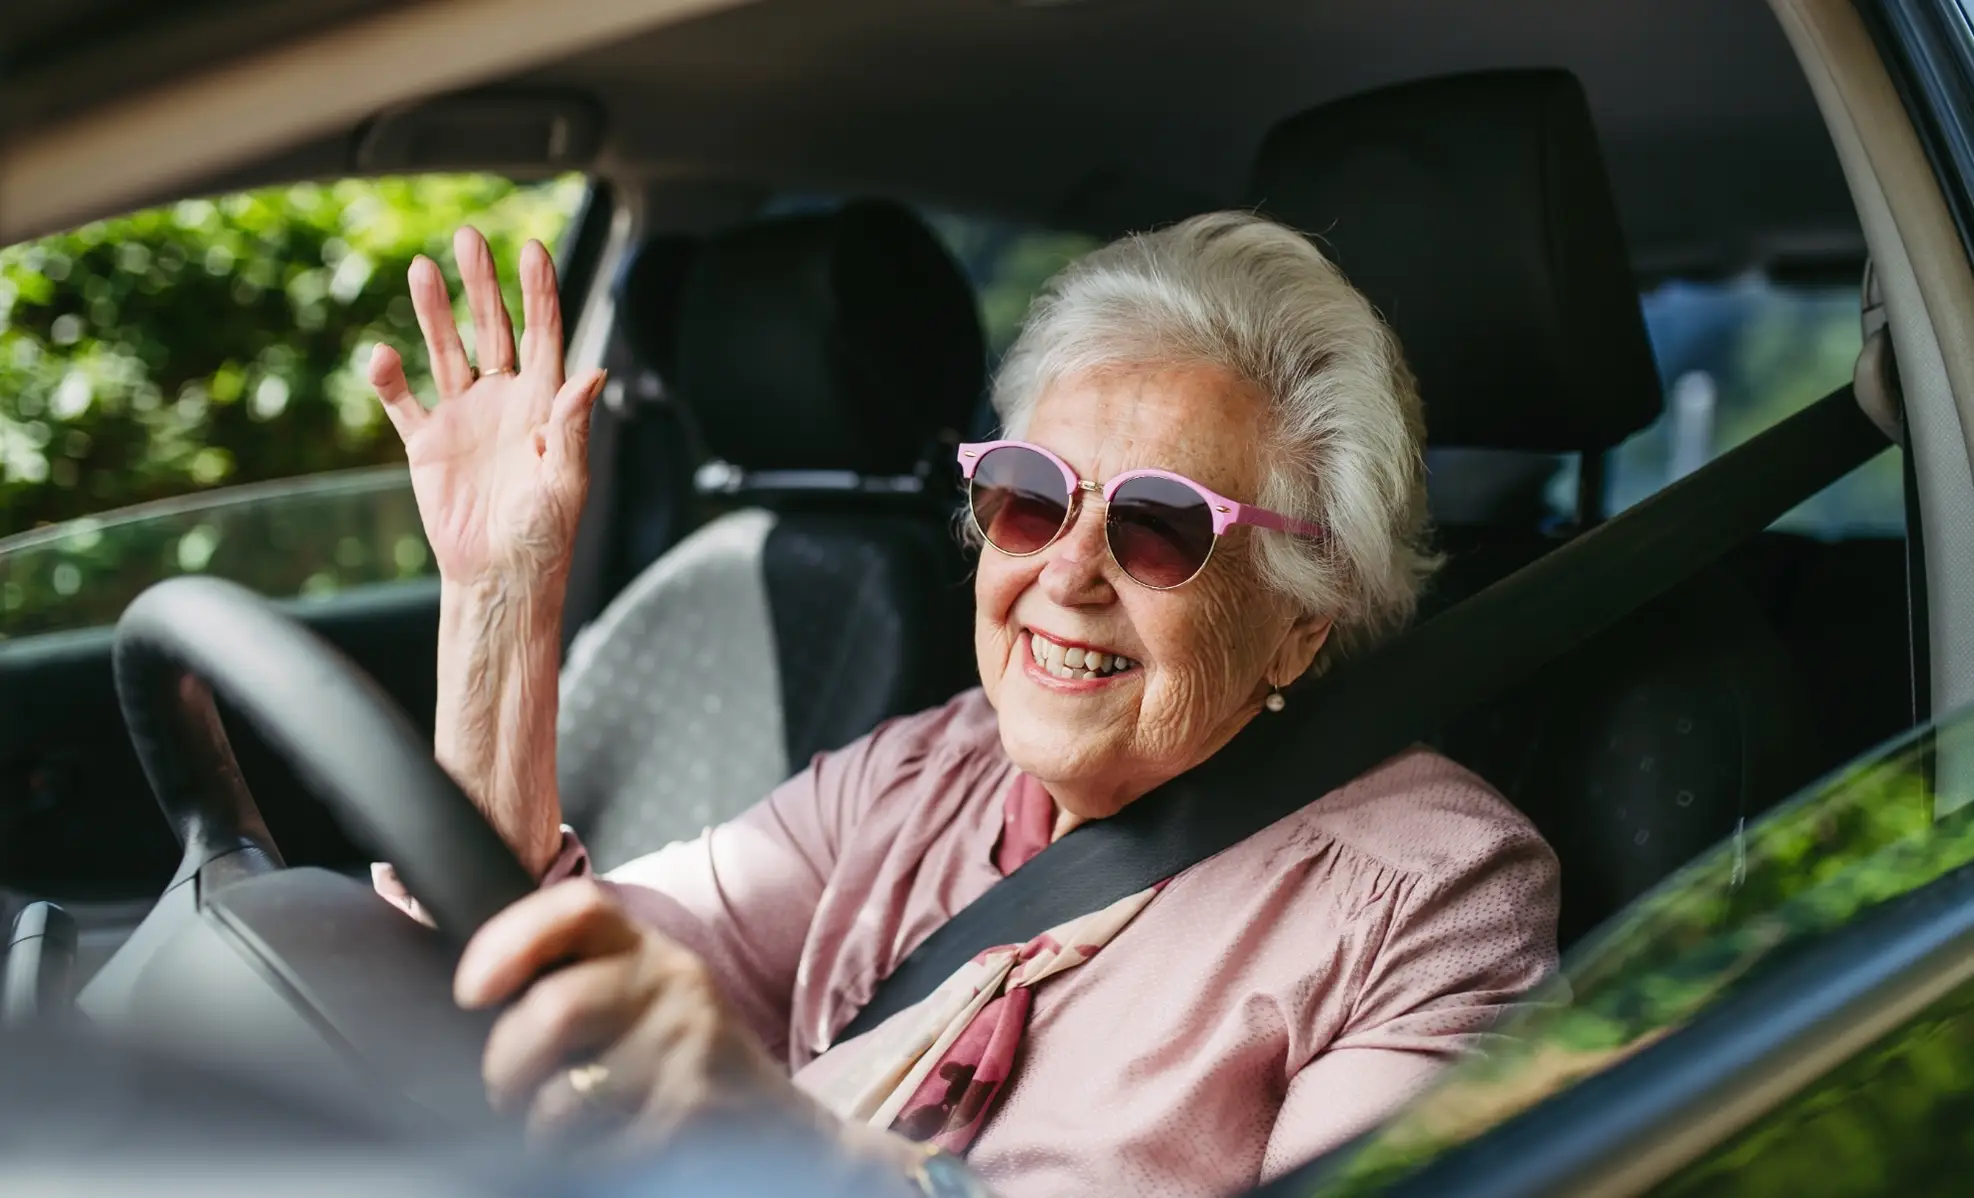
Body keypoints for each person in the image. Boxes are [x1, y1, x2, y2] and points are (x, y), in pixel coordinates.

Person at [367, 213, 1561, 1198]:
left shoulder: (1432, 893)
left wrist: (799, 1150)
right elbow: (517, 975)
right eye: (1033, 496)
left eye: (1160, 526)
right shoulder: (921, 773)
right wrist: (500, 599)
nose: (1068, 570)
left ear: (1306, 615)